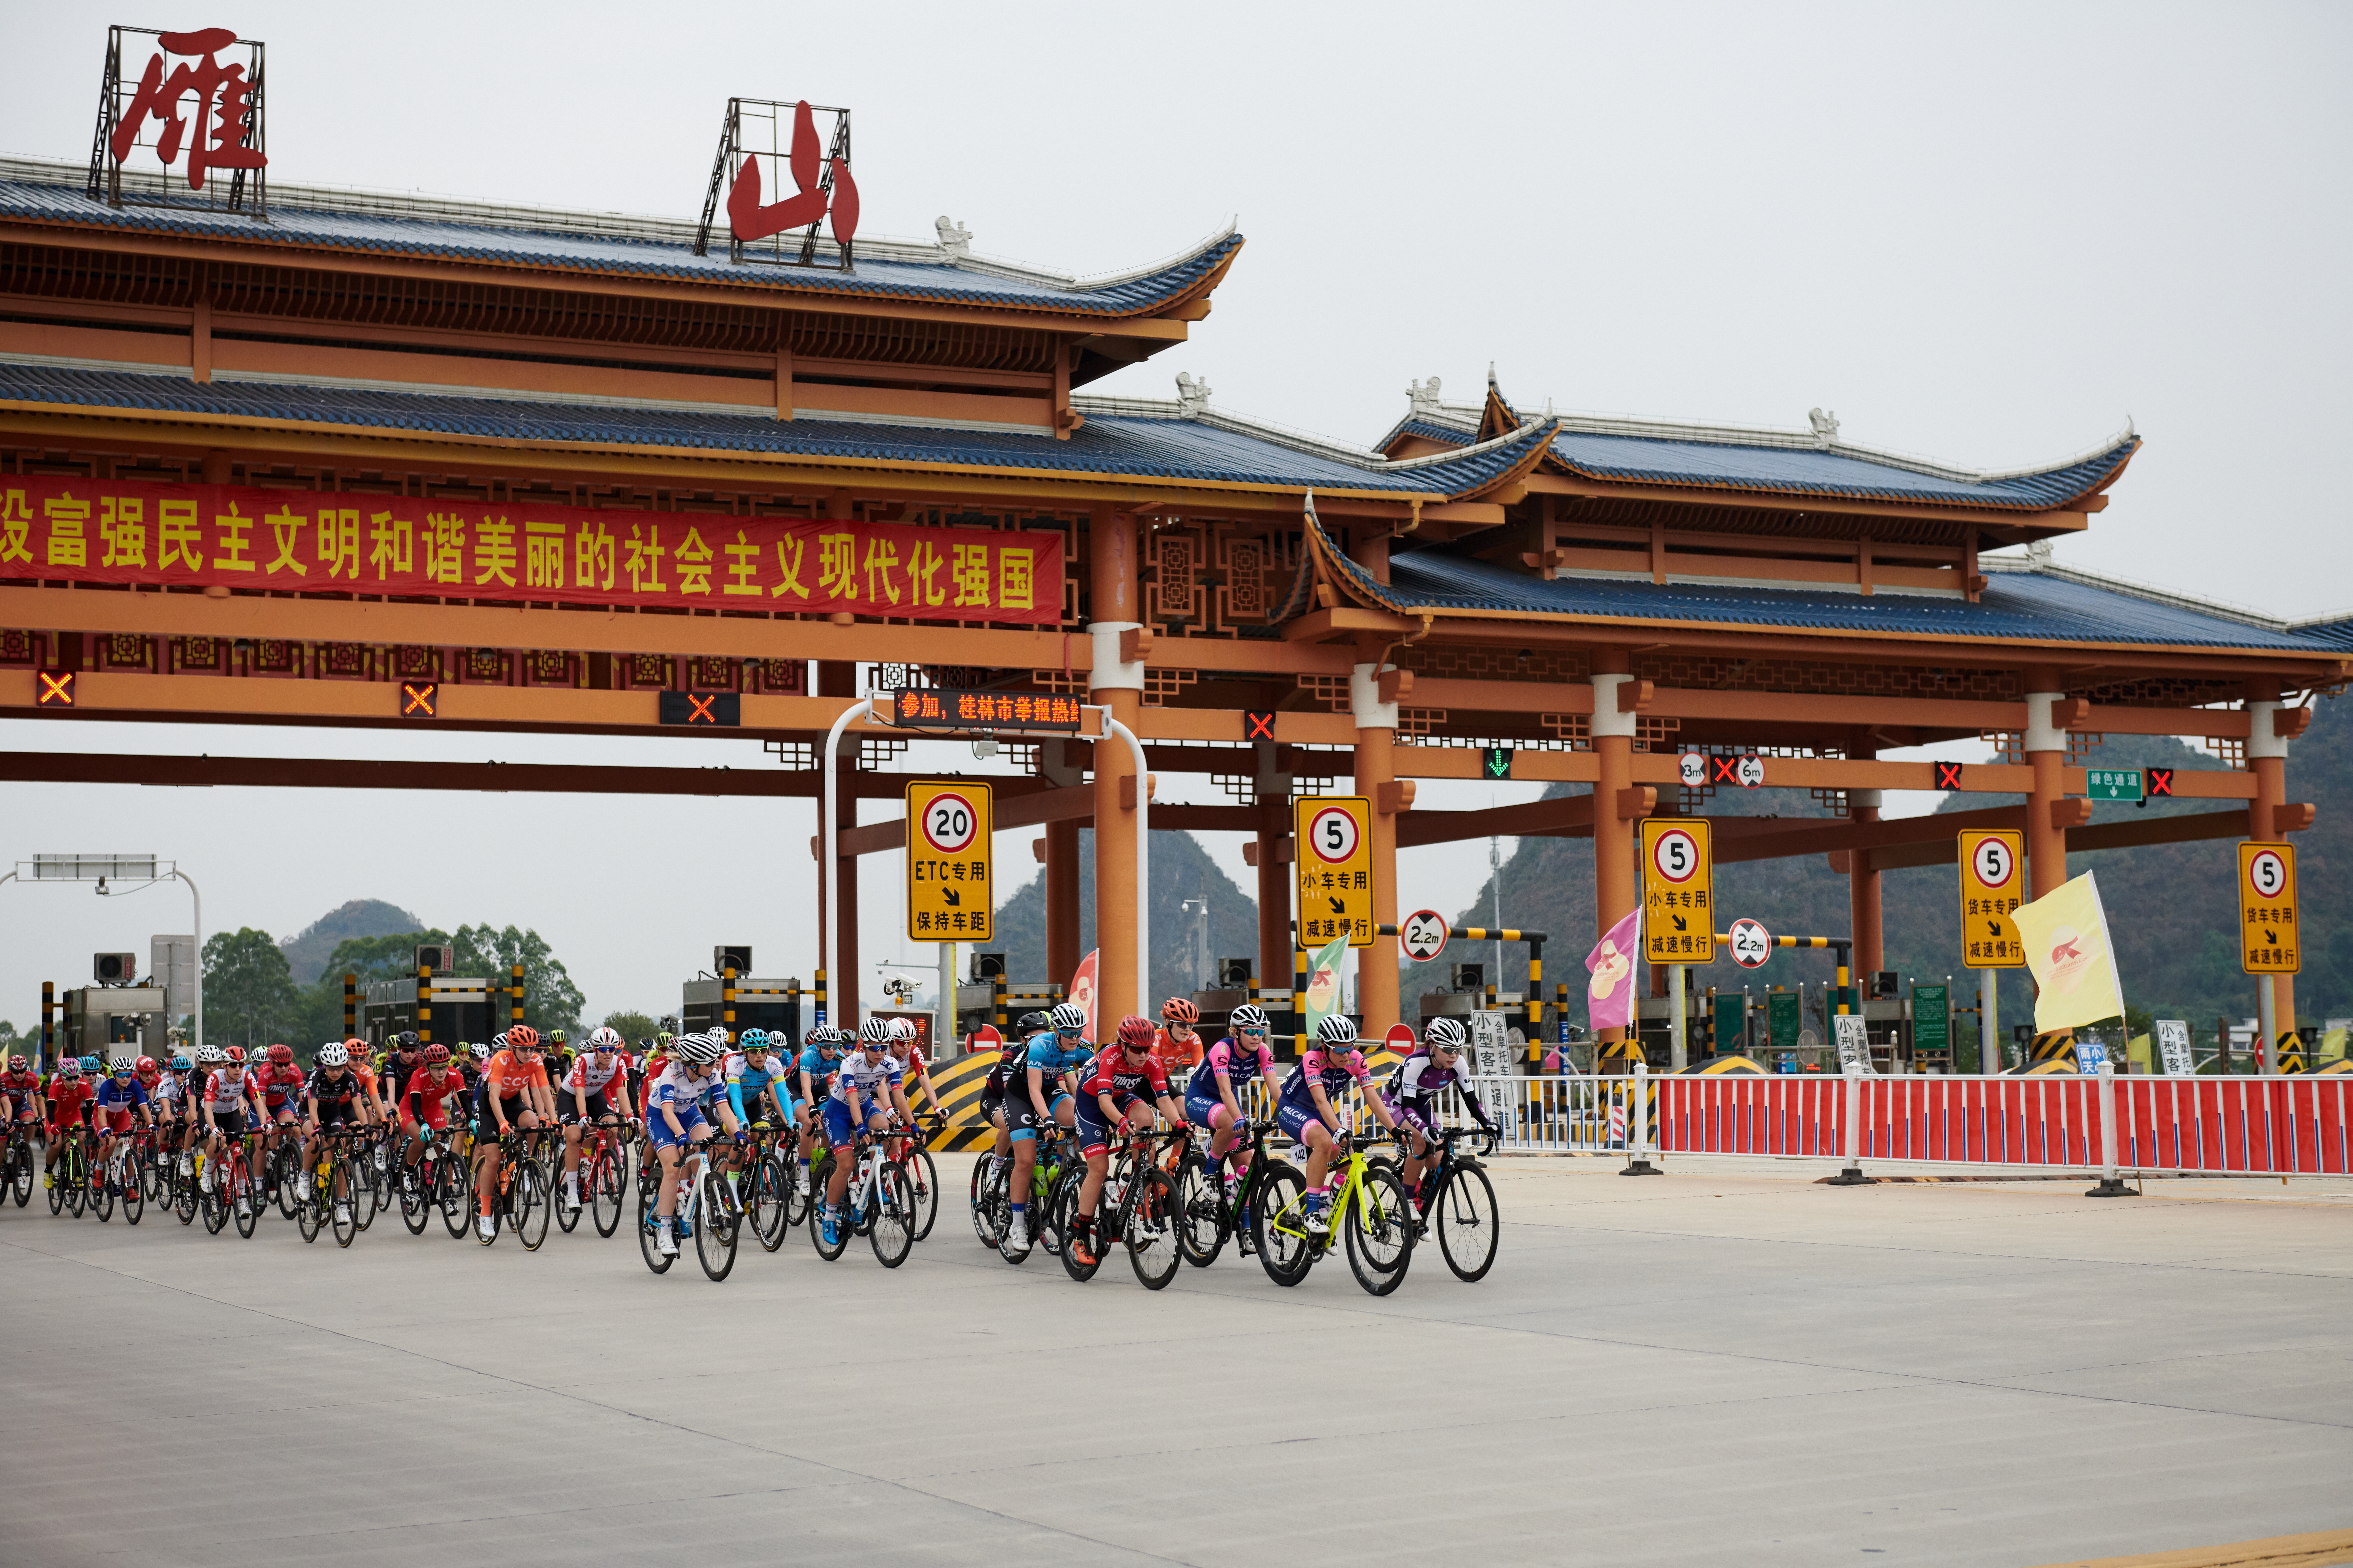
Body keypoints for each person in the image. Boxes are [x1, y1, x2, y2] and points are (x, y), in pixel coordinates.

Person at [1067, 1015, 1187, 1266]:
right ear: (1123, 1045)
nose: (1144, 1055)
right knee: (1099, 1169)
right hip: (1092, 1105)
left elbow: (1163, 1099)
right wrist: (1121, 1122)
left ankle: (1131, 1183)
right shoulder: (1109, 1058)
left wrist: (1179, 1124)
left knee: (1146, 1121)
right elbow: (1103, 1102)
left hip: (1120, 1098)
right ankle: (1080, 1236)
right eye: (1137, 1050)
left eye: (1148, 1048)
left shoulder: (1151, 1060)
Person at [1277, 1015, 1400, 1238]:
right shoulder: (1312, 1059)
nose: (1346, 1055)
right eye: (1339, 1050)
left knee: (1348, 1158)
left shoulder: (1355, 1059)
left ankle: (1329, 1199)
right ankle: (1311, 1213)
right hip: (1292, 1109)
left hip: (1319, 1113)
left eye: (1350, 1048)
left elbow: (1373, 1098)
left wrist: (1394, 1129)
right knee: (1324, 1143)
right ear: (1325, 1047)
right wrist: (1338, 1130)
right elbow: (1321, 1101)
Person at [1003, 1001, 1090, 1261]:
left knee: (1079, 1116)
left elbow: (1090, 1080)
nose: (1076, 1039)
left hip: (1050, 1092)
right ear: (1057, 1031)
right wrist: (1048, 1120)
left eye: (1080, 1033)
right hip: (1021, 1096)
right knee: (1027, 1160)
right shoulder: (1040, 1045)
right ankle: (1017, 1224)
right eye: (1070, 1033)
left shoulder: (1081, 1048)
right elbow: (1032, 1090)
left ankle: (1063, 1166)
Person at [1385, 1017, 1495, 1210]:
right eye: (1447, 1049)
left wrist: (1487, 1124)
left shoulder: (1459, 1064)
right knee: (1420, 1140)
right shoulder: (1416, 1062)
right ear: (1432, 1045)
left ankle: (1420, 1200)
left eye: (1458, 1050)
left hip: (1423, 1108)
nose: (1453, 1055)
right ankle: (1408, 1201)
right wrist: (1423, 1129)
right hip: (1395, 1106)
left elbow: (1471, 1100)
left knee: (1438, 1166)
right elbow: (1408, 1107)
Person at [644, 1031, 736, 1258]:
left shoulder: (711, 1074)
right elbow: (667, 1111)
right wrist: (681, 1136)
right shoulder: (671, 1074)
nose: (716, 1065)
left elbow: (723, 1108)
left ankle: (691, 1188)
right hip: (661, 1117)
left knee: (707, 1148)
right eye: (711, 1062)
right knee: (673, 1168)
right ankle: (665, 1231)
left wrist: (739, 1134)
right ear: (694, 1064)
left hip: (689, 1112)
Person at [816, 1020, 902, 1248]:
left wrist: (911, 1124)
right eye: (874, 1048)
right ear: (863, 1046)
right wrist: (860, 1126)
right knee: (845, 1165)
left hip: (863, 1106)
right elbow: (852, 1099)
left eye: (884, 1047)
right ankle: (829, 1217)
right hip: (837, 1113)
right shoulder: (849, 1064)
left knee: (885, 1130)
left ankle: (868, 1181)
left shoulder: (889, 1062)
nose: (880, 1052)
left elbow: (898, 1096)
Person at [1184, 1002, 1282, 1193]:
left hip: (1227, 1100)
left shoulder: (1263, 1051)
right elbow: (1225, 1091)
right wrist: (1239, 1119)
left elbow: (1275, 1090)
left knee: (1246, 1168)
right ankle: (1210, 1171)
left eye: (1261, 1031)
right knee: (1231, 1122)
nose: (1256, 1036)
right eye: (1250, 1031)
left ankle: (1242, 1220)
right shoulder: (1223, 1049)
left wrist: (1291, 1114)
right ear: (1236, 1032)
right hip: (1200, 1097)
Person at [472, 1025, 548, 1242]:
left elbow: (541, 1090)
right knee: (494, 1158)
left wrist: (550, 1118)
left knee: (533, 1123)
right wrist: (503, 1122)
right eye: (523, 1048)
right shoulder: (500, 1060)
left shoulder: (535, 1061)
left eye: (532, 1048)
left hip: (512, 1101)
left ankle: (524, 1162)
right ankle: (485, 1212)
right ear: (512, 1048)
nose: (529, 1053)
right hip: (488, 1105)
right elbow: (494, 1097)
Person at [559, 1026, 634, 1214]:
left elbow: (622, 1092)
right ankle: (572, 1192)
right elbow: (579, 1091)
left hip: (595, 1095)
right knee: (575, 1136)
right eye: (603, 1049)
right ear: (595, 1050)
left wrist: (631, 1116)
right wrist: (583, 1116)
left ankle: (593, 1159)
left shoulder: (619, 1063)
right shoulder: (582, 1061)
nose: (608, 1053)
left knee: (612, 1128)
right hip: (571, 1096)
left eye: (612, 1049)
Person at [301, 1041, 373, 1224]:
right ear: (325, 1066)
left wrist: (367, 1127)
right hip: (310, 1112)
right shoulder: (317, 1078)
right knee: (316, 1139)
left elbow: (358, 1105)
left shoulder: (350, 1078)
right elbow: (313, 1106)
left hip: (333, 1111)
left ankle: (341, 1204)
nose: (336, 1072)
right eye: (332, 1068)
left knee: (339, 1149)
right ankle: (305, 1174)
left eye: (340, 1067)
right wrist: (317, 1125)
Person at [979, 1013, 1049, 1194]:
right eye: (1034, 1039)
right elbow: (1011, 1091)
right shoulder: (1012, 1055)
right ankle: (997, 1164)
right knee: (1010, 1124)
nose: (1039, 1043)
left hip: (1028, 1101)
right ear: (1022, 1039)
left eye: (1043, 1038)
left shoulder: (1048, 1054)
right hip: (997, 1098)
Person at [195, 1045, 254, 1215]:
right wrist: (213, 1128)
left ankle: (242, 1199)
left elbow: (257, 1101)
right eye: (233, 1065)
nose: (238, 1069)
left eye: (241, 1065)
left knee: (238, 1149)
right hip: (210, 1114)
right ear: (224, 1065)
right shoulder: (215, 1078)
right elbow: (207, 1109)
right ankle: (207, 1172)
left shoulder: (247, 1077)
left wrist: (264, 1124)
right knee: (218, 1142)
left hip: (231, 1114)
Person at [89, 1059, 152, 1193]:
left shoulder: (135, 1086)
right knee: (111, 1142)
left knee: (129, 1145)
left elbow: (144, 1108)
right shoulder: (107, 1087)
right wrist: (105, 1127)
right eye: (121, 1075)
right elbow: (101, 1113)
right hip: (103, 1117)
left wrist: (151, 1124)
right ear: (114, 1075)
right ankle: (98, 1170)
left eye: (129, 1075)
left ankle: (130, 1186)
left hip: (122, 1117)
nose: (126, 1078)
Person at [793, 1026, 843, 1197]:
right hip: (797, 1089)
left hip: (820, 1089)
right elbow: (806, 1088)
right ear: (818, 1045)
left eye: (835, 1046)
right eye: (827, 1046)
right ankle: (805, 1176)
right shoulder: (809, 1056)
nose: (831, 1050)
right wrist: (812, 1108)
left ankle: (819, 1159)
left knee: (832, 1122)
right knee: (809, 1122)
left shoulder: (839, 1058)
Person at [43, 1055, 95, 1193]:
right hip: (56, 1118)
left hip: (74, 1116)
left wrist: (92, 1124)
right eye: (69, 1078)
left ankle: (79, 1172)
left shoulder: (84, 1085)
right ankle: (48, 1172)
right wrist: (53, 1124)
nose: (74, 1081)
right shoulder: (56, 1086)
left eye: (76, 1077)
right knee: (57, 1145)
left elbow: (91, 1107)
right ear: (62, 1077)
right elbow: (50, 1109)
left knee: (80, 1140)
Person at [1150, 996, 1205, 1085]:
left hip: (1164, 1080)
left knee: (1185, 1100)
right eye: (1182, 1024)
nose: (1187, 1030)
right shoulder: (1156, 1037)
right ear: (1168, 1023)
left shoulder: (1193, 1039)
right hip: (1141, 1081)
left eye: (1191, 1025)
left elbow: (1202, 1071)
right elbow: (1152, 1070)